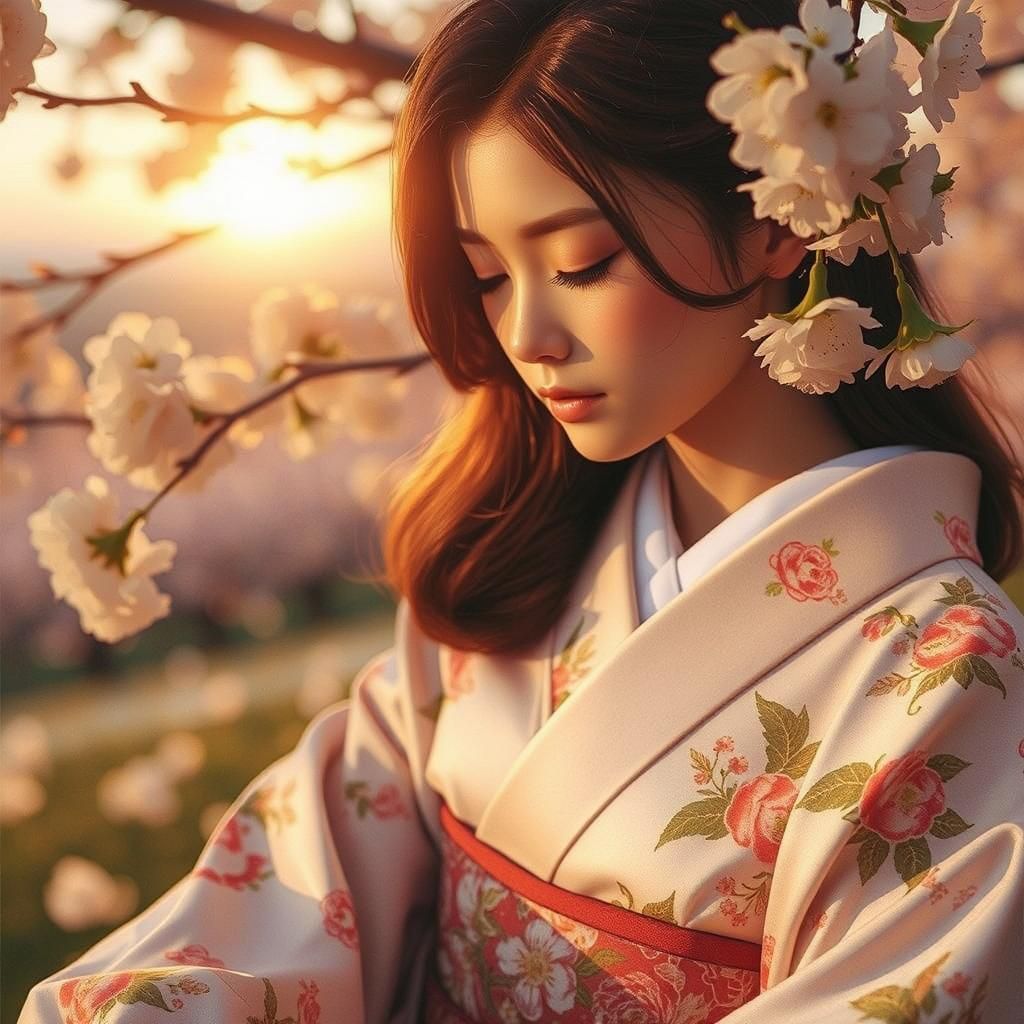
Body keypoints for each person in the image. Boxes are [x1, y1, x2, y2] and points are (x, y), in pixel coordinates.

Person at [19, 1, 1024, 1022]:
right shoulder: (514, 557)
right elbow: (292, 886)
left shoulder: (950, 675)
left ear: (775, 217)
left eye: (583, 260)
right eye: (489, 276)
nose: (528, 333)